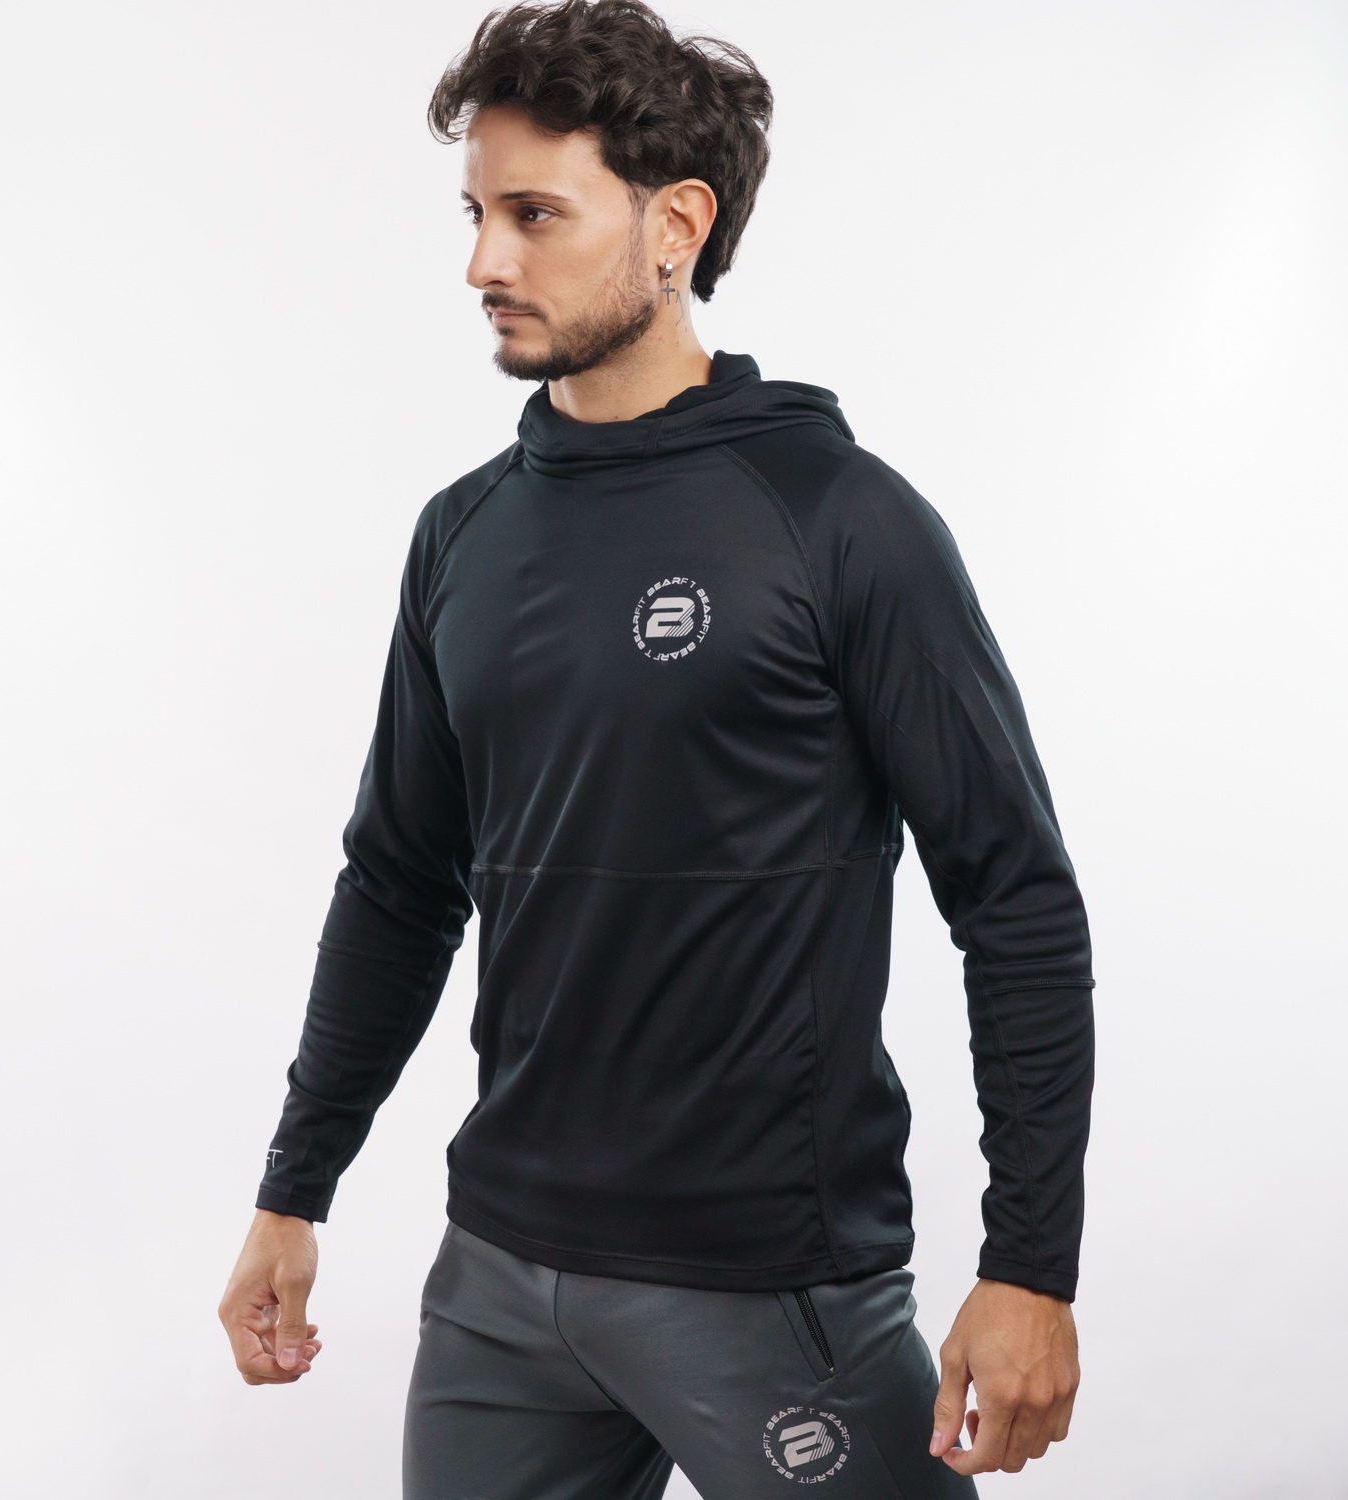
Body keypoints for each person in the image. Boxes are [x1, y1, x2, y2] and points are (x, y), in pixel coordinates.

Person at [217, 2, 1095, 1494]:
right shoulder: (462, 535)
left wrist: (1031, 1266)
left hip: (772, 1284)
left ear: (676, 224)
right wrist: (294, 1189)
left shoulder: (839, 520)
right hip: (500, 1280)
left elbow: (1014, 900)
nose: (484, 263)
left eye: (535, 214)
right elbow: (399, 883)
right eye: (477, 215)